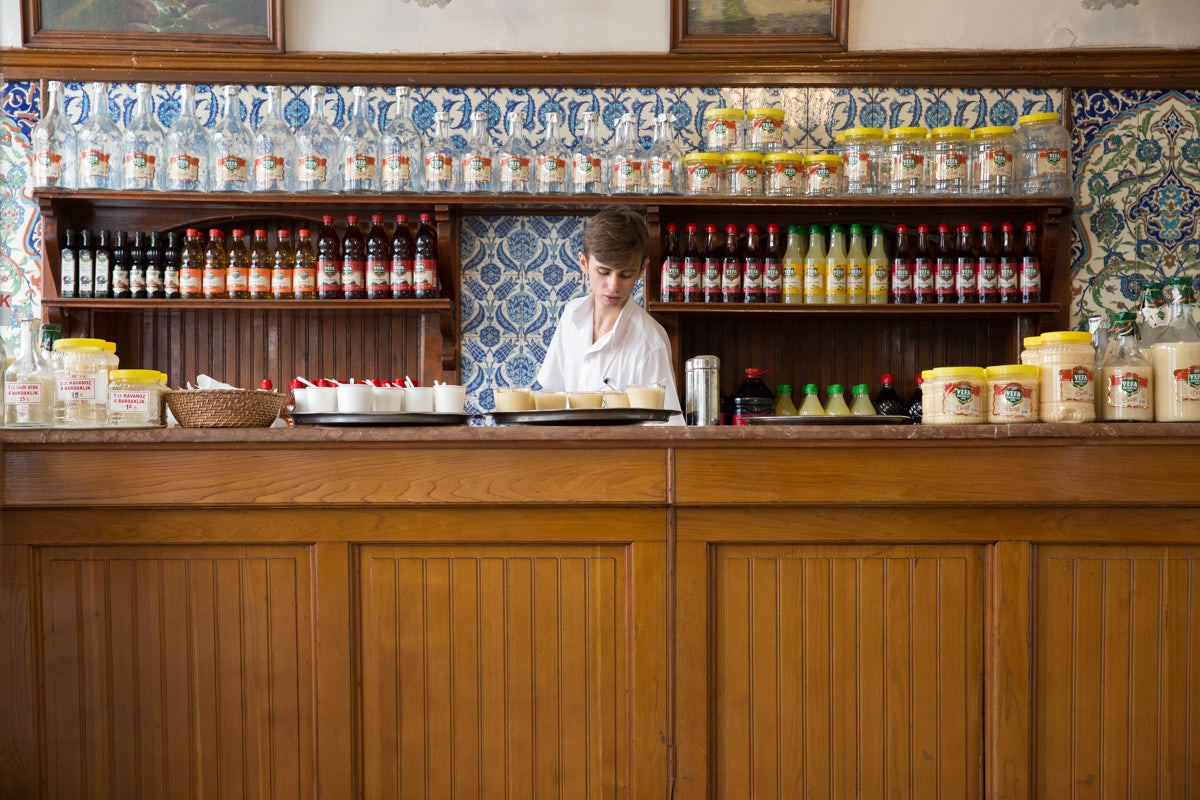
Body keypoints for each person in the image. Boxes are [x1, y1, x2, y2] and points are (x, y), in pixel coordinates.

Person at [537, 208, 682, 419]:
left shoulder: (651, 341)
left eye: (626, 274)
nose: (613, 286)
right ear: (584, 263)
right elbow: (551, 398)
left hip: (625, 453)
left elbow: (666, 431)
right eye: (603, 272)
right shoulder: (570, 316)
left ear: (642, 270)